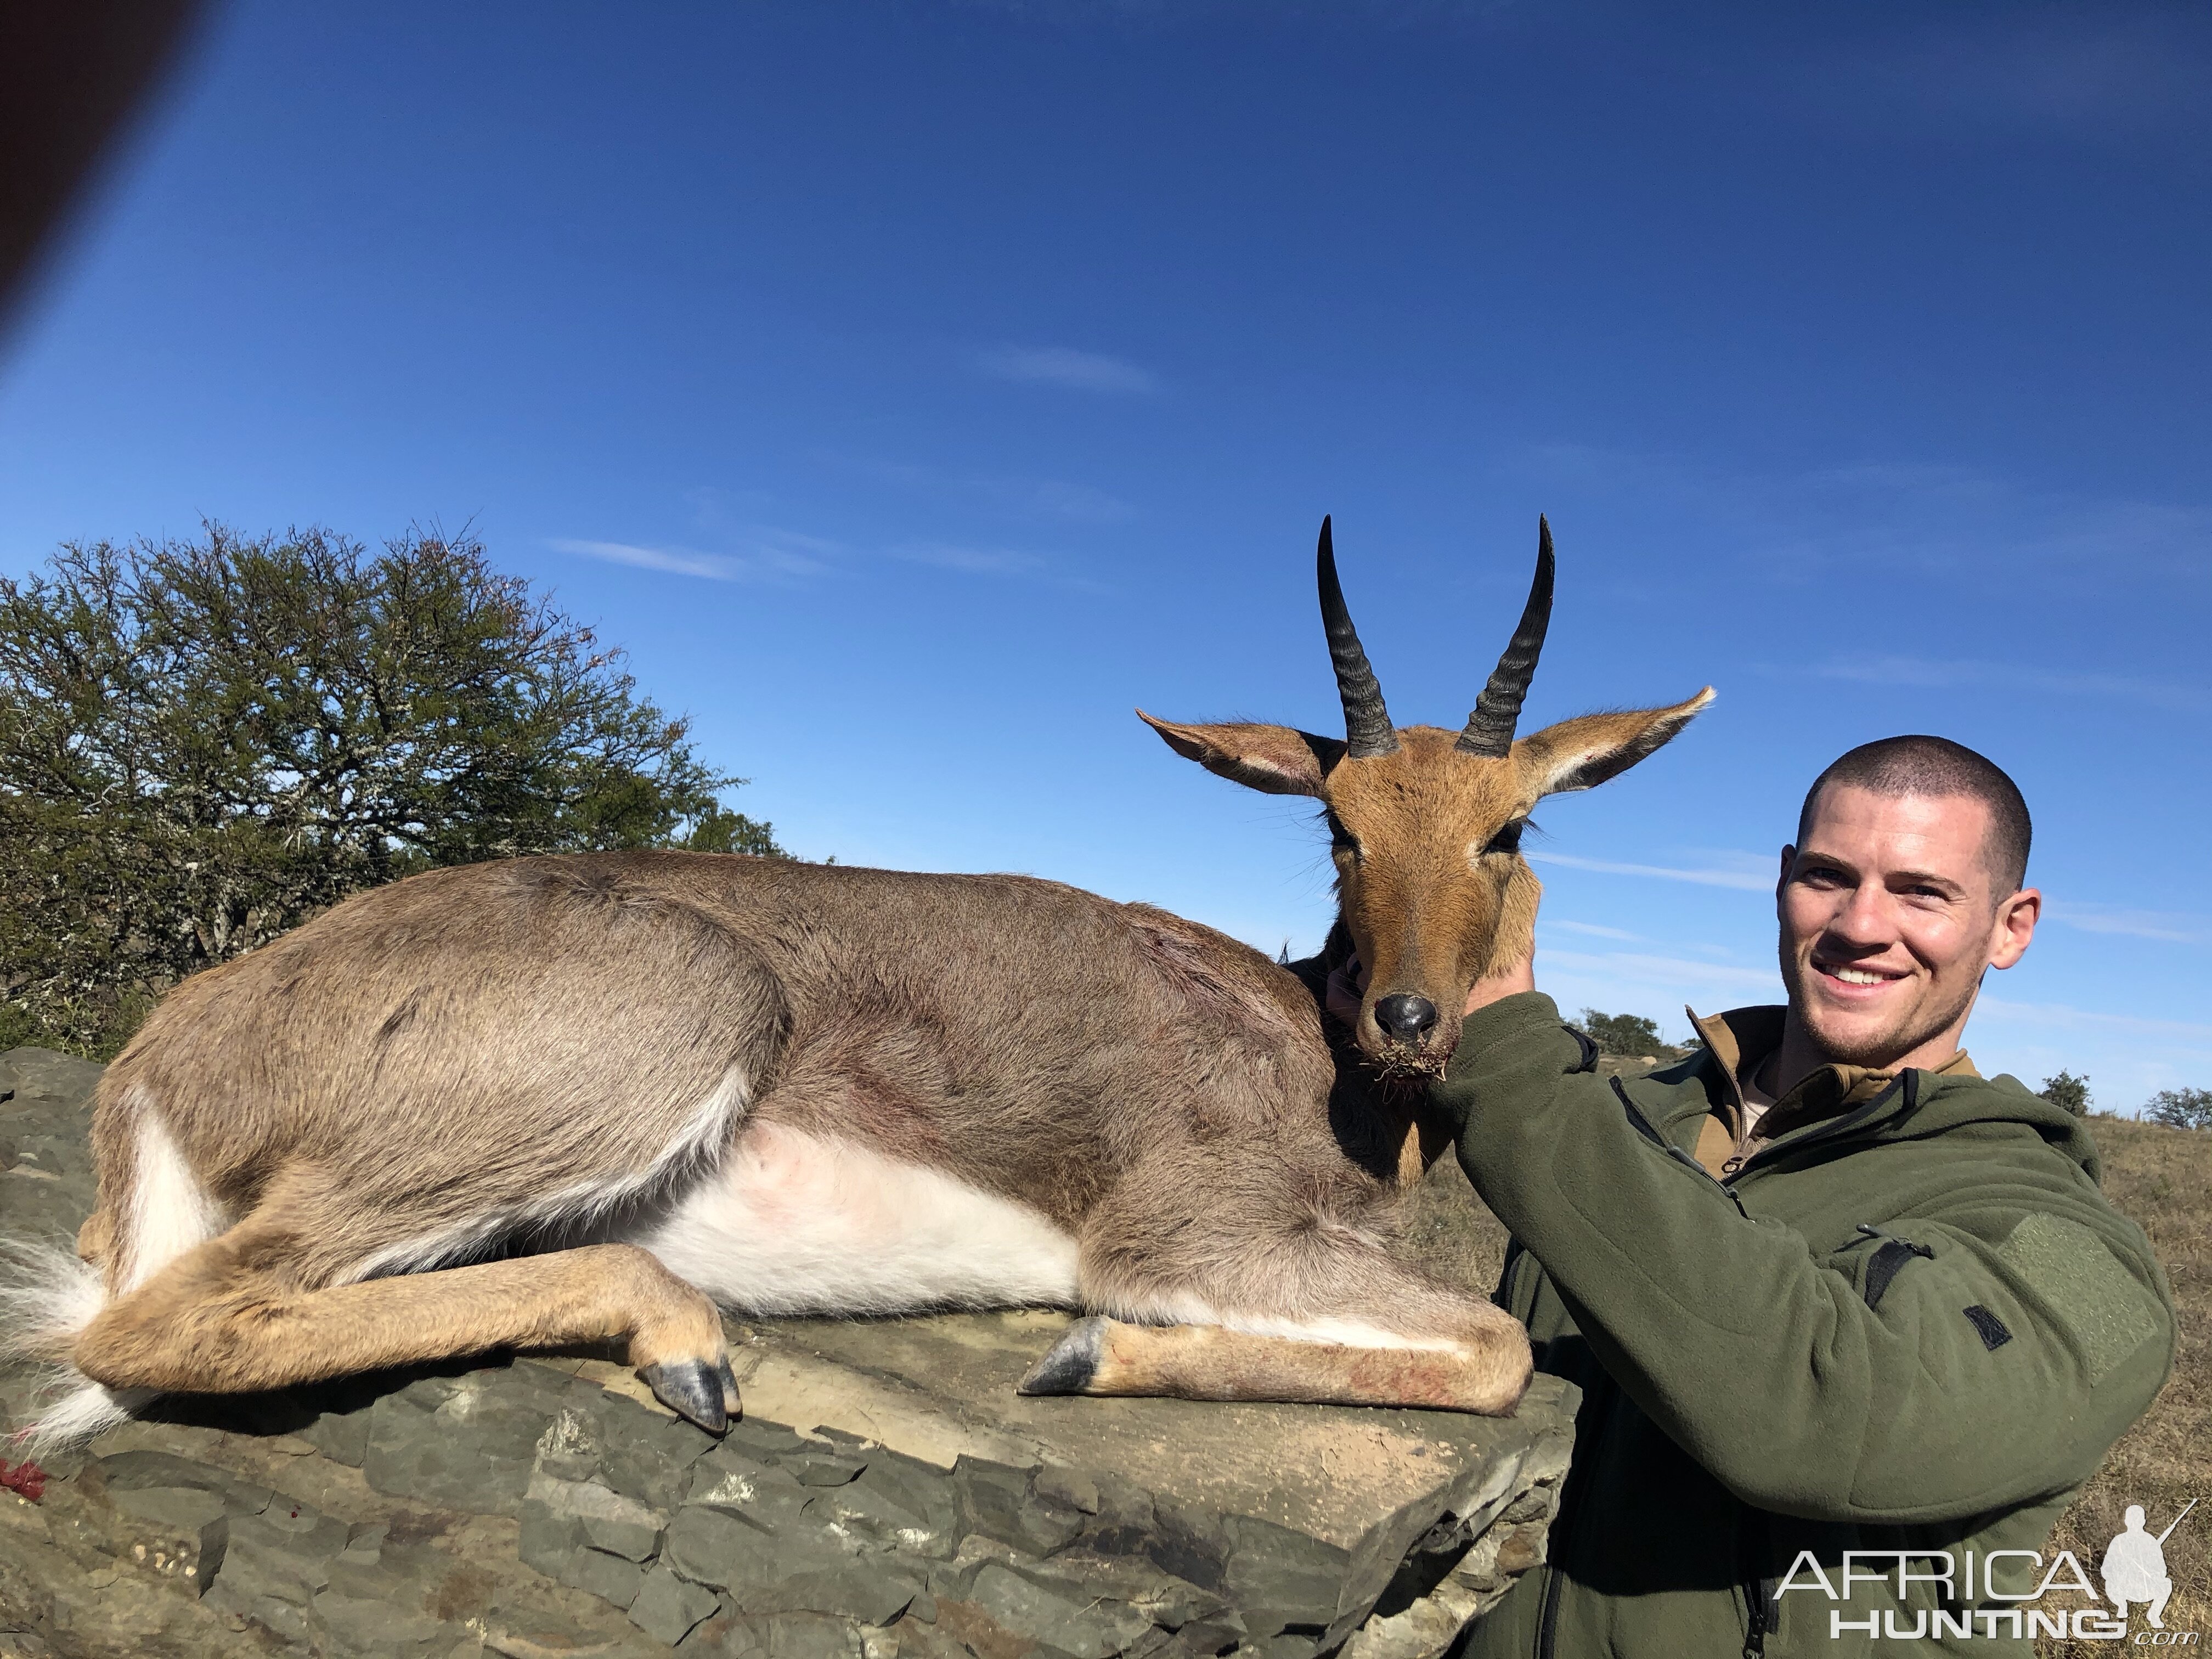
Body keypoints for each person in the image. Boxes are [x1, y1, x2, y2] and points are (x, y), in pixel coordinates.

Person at [1412, 735, 2175, 1656]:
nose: (1859, 922)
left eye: (1919, 890)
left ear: (2011, 925)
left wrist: (1507, 1069)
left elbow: (1829, 1415)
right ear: (1781, 881)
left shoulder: (2073, 1243)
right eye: (1827, 874)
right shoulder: (1621, 1114)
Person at [2100, 1505, 2174, 1628]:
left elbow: (2162, 1569)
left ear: (2144, 1522)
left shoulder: (2150, 1541)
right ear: (2126, 1522)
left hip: (2145, 1588)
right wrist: (2120, 1573)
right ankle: (2122, 1606)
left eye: (2138, 1520)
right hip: (2123, 1588)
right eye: (2132, 1520)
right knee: (2109, 1583)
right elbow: (2106, 1569)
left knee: (2167, 1583)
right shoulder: (2118, 1541)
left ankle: (2154, 1615)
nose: (2135, 1523)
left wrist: (2149, 1573)